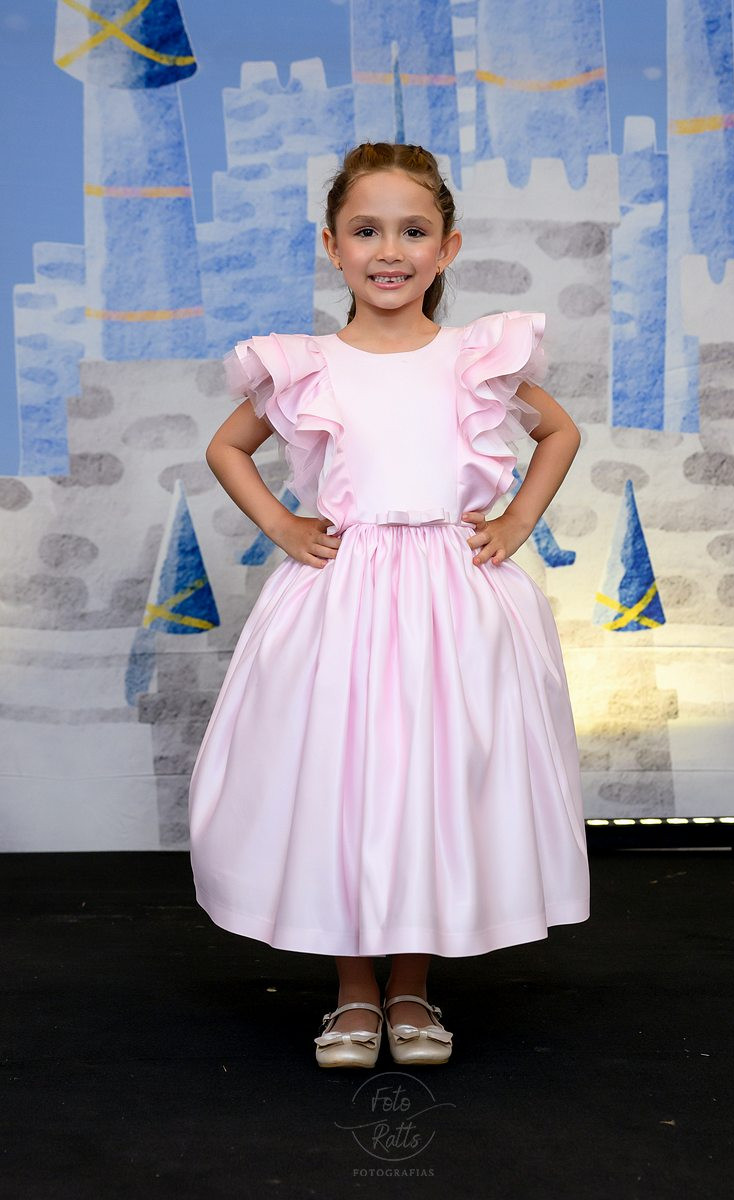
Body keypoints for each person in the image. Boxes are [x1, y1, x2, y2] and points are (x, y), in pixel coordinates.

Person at [188, 141, 590, 1070]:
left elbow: (560, 432)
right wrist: (284, 525)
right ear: (333, 246)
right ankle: (353, 991)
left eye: (413, 231)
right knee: (348, 783)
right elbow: (226, 447)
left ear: (447, 248)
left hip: (451, 603)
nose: (390, 250)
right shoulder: (307, 365)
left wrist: (517, 520)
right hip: (344, 601)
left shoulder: (473, 358)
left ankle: (411, 984)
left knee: (430, 786)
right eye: (366, 231)